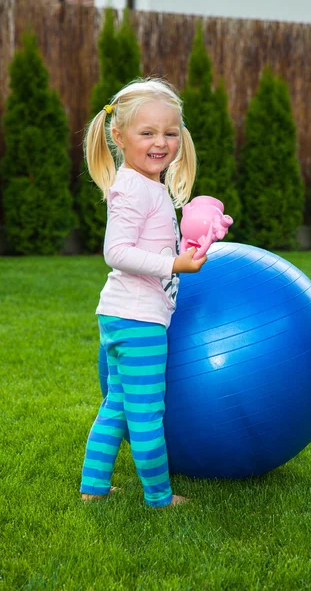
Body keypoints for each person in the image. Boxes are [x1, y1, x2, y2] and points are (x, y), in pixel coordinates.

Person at [80, 78, 207, 508]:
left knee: (116, 404)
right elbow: (116, 252)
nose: (161, 142)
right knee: (146, 415)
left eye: (170, 132)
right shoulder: (135, 188)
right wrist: (175, 264)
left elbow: (148, 245)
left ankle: (93, 489)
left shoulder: (144, 185)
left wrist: (185, 248)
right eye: (147, 133)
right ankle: (158, 497)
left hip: (121, 315)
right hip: (138, 321)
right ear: (119, 136)